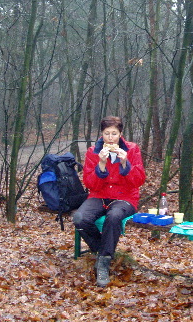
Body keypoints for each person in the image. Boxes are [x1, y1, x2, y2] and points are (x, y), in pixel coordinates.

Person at [73, 116, 145, 287]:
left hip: (125, 197)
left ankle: (103, 264)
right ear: (102, 134)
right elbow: (90, 184)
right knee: (80, 218)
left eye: (114, 133)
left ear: (121, 134)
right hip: (99, 195)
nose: (111, 137)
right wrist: (102, 165)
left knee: (113, 217)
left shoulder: (132, 150)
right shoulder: (93, 152)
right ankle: (102, 252)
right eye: (107, 134)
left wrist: (125, 163)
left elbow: (139, 181)